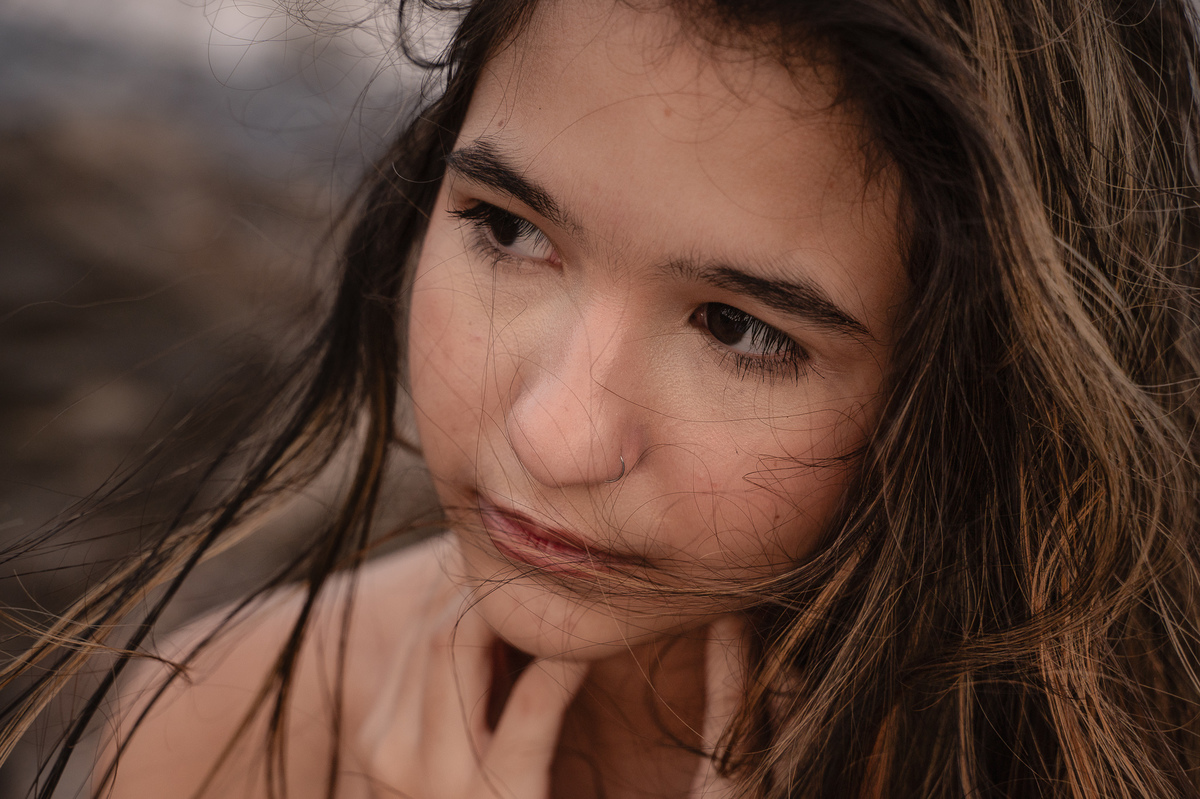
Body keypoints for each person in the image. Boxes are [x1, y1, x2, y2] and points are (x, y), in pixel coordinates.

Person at [6, 0, 1200, 796]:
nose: (552, 433)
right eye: (509, 230)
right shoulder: (224, 721)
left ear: (992, 378)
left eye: (740, 329)